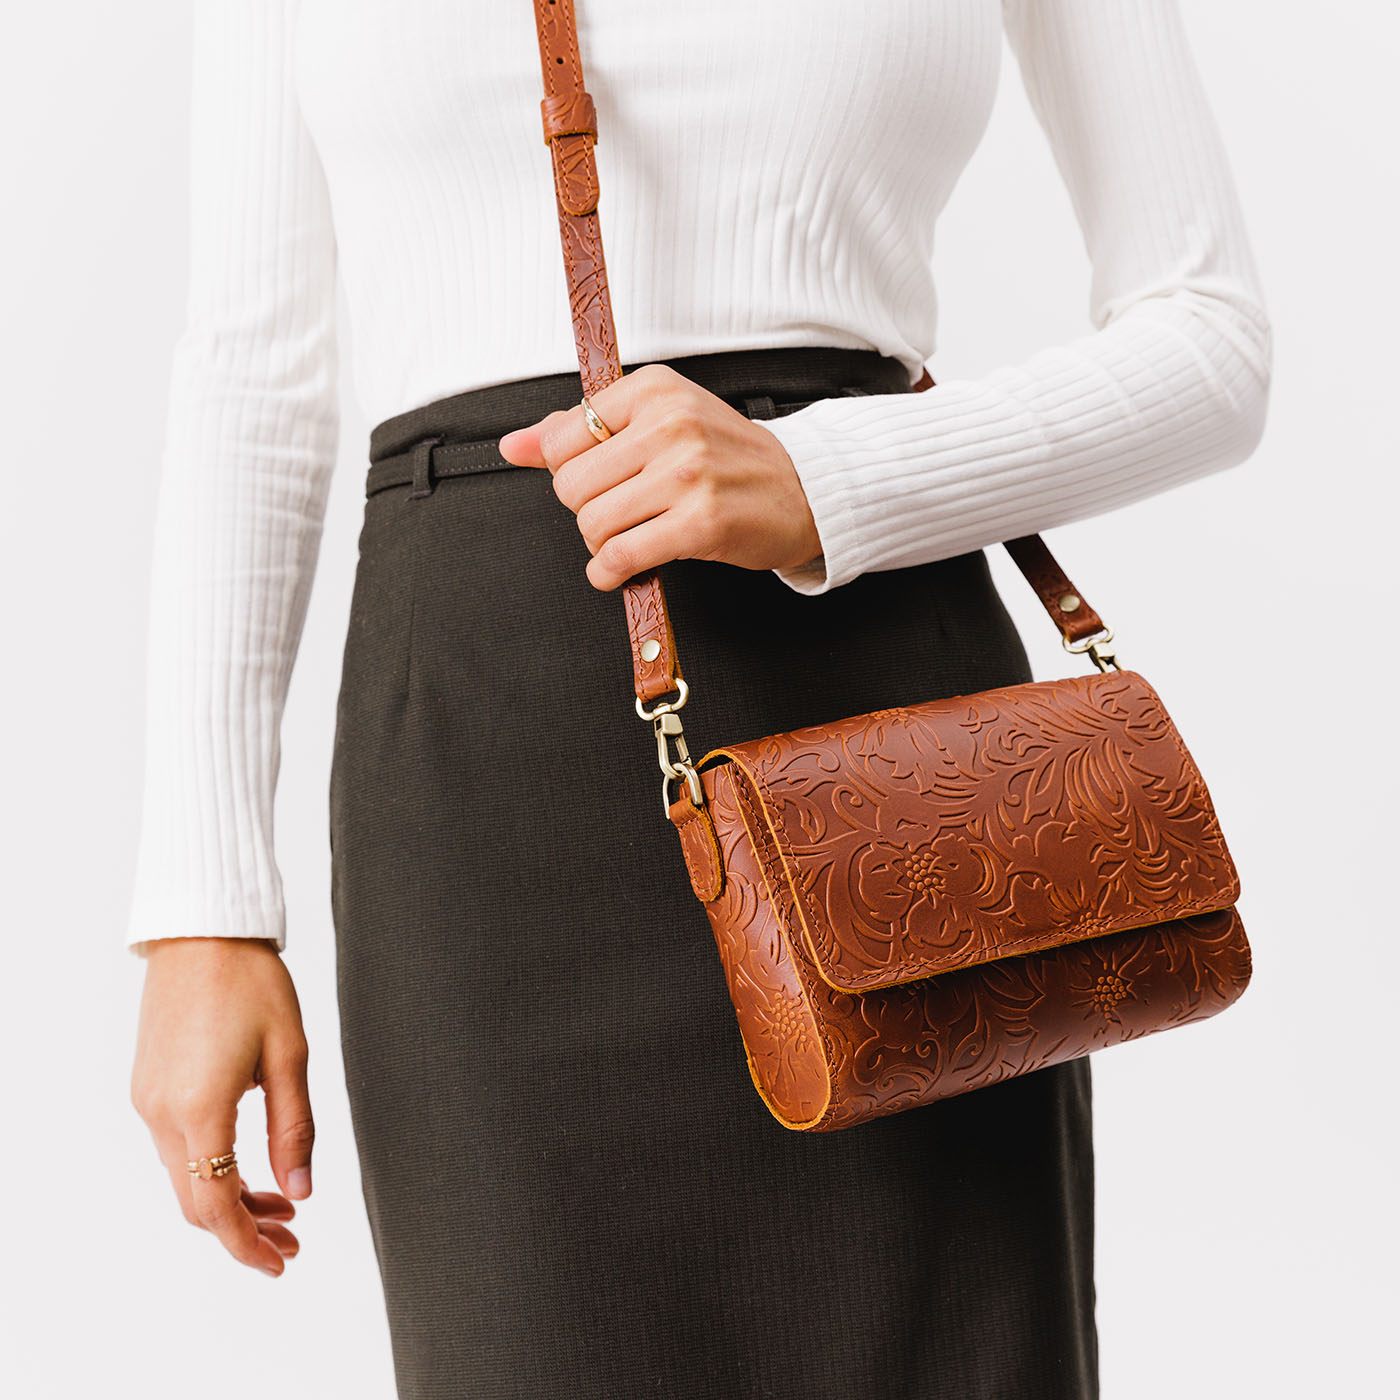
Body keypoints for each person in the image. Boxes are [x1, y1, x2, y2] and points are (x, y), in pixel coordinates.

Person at [126, 2, 1272, 1397]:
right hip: (490, 781)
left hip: (897, 794)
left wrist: (823, 479)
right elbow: (251, 378)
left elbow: (1210, 341)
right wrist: (202, 909)